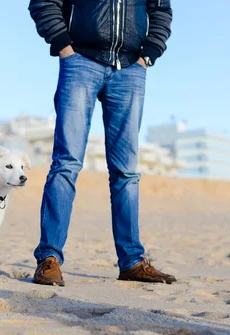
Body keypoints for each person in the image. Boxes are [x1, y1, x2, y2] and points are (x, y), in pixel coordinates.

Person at [28, 0, 177, 286]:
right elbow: (44, 3)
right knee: (66, 164)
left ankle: (132, 262)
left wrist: (150, 53)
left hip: (131, 69)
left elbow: (161, 10)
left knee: (127, 172)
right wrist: (63, 46)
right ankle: (49, 258)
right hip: (80, 62)